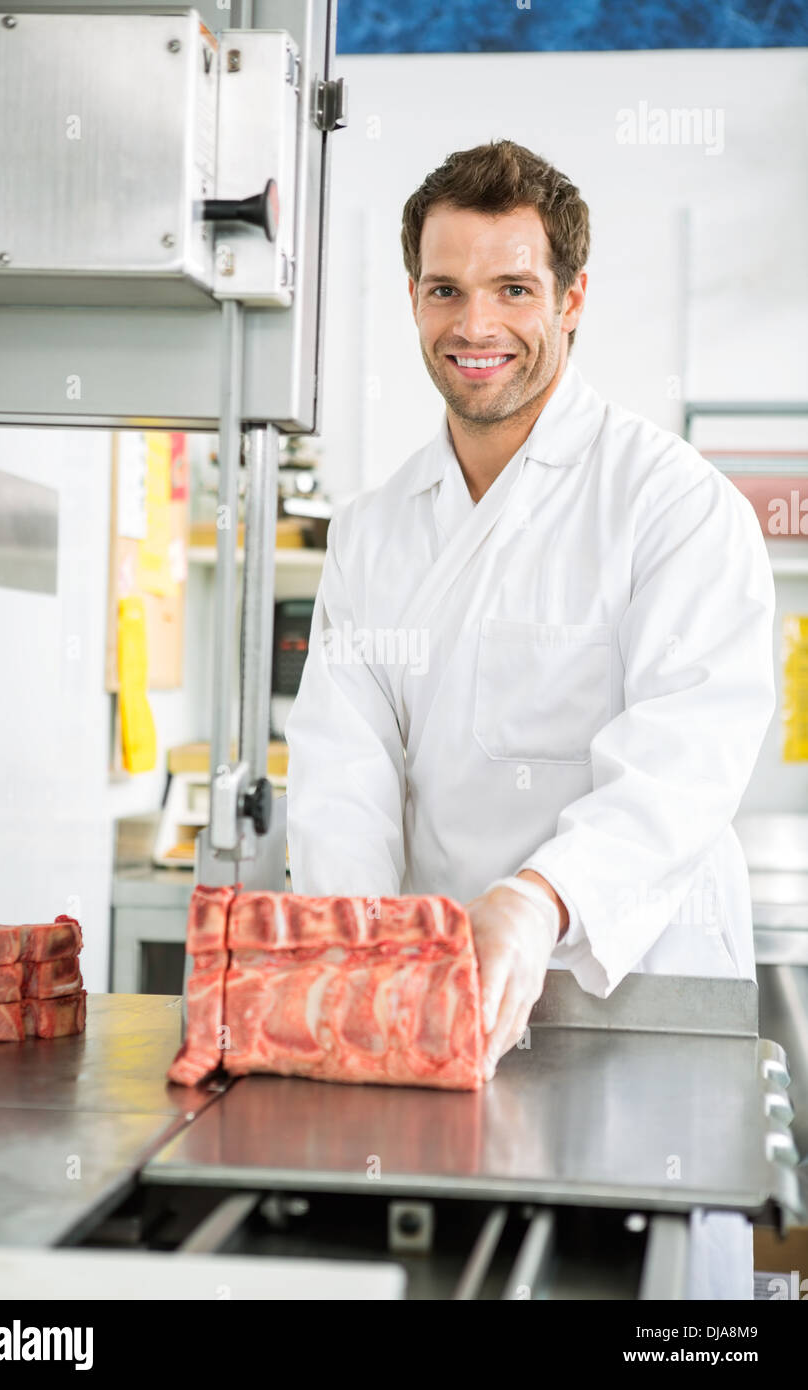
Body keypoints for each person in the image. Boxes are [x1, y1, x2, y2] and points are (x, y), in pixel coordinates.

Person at [285, 139, 776, 1299]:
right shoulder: (372, 529)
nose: (476, 324)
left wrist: (533, 898)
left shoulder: (670, 504)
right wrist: (363, 956)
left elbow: (688, 754)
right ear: (411, 297)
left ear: (570, 298)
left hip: (629, 998)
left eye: (512, 288)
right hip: (432, 1024)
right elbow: (344, 763)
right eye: (445, 288)